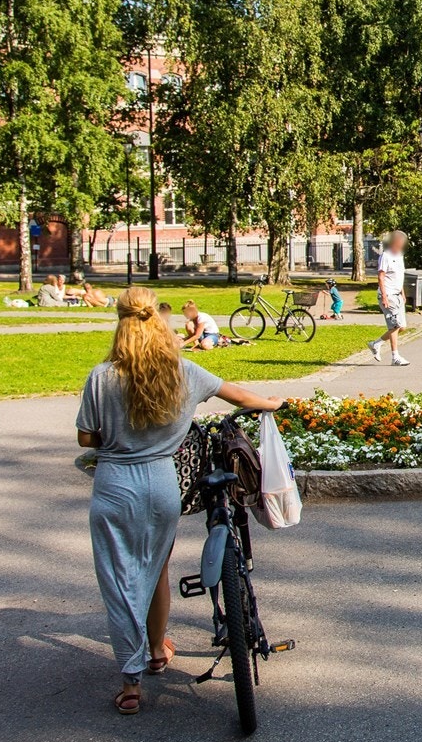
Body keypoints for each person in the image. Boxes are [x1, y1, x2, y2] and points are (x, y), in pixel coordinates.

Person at [75, 286, 282, 716]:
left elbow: (86, 438)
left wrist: (116, 436)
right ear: (160, 321)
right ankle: (156, 649)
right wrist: (271, 403)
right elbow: (237, 394)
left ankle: (130, 683)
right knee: (156, 566)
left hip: (114, 483)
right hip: (161, 481)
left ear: (120, 322)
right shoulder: (182, 372)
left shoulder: (102, 376)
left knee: (120, 580)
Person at [368, 231, 410, 366]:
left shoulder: (400, 256)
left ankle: (376, 344)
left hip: (397, 294)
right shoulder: (385, 256)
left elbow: (399, 276)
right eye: (400, 242)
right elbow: (381, 277)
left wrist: (402, 292)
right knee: (395, 325)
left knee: (402, 327)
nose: (402, 245)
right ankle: (395, 357)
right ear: (394, 241)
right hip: (388, 295)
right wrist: (384, 296)